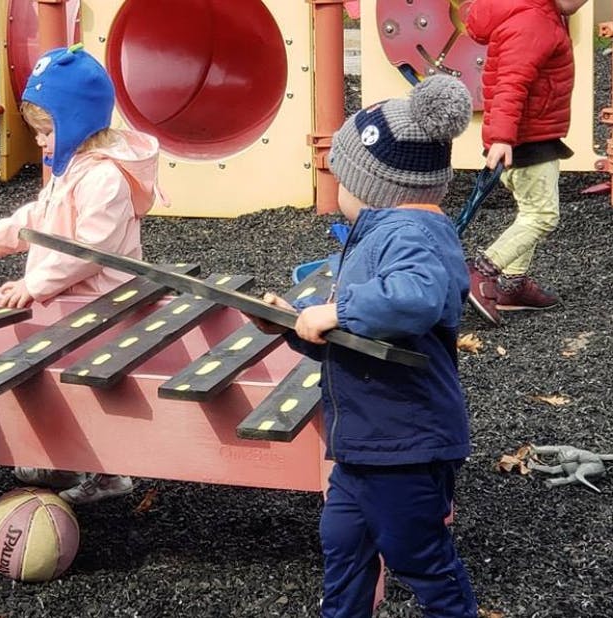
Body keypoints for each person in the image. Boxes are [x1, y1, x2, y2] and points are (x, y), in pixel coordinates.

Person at [250, 76, 479, 617]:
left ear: (375, 185)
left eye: (340, 176)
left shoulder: (412, 235)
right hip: (364, 444)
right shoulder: (384, 233)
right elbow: (360, 341)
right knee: (344, 544)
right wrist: (291, 326)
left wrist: (338, 309)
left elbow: (418, 297)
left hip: (405, 443)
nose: (334, 186)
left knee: (416, 554)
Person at [0, 44, 165, 506]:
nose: (42, 142)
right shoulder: (72, 165)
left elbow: (89, 250)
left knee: (92, 389)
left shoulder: (104, 178)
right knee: (55, 375)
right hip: (75, 299)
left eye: (48, 131)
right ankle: (58, 456)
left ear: (78, 123)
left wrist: (37, 284)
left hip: (103, 304)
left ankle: (110, 474)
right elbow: (42, 217)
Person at [464, 0, 589, 325]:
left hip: (533, 135)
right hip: (525, 140)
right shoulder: (534, 21)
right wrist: (503, 138)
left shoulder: (538, 13)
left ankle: (513, 287)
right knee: (543, 216)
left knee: (530, 211)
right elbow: (510, 83)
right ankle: (482, 271)